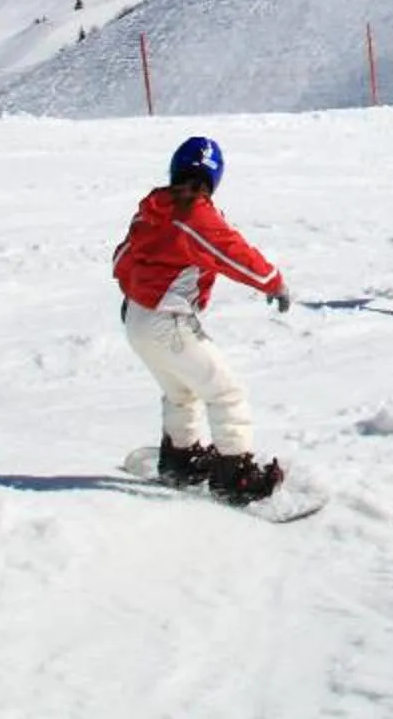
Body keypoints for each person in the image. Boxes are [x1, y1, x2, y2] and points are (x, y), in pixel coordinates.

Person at [111, 134, 290, 504]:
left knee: (181, 390)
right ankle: (235, 475)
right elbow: (232, 253)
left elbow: (122, 257)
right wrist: (272, 281)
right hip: (168, 323)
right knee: (226, 392)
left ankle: (181, 458)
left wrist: (132, 295)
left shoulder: (152, 208)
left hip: (137, 318)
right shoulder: (195, 215)